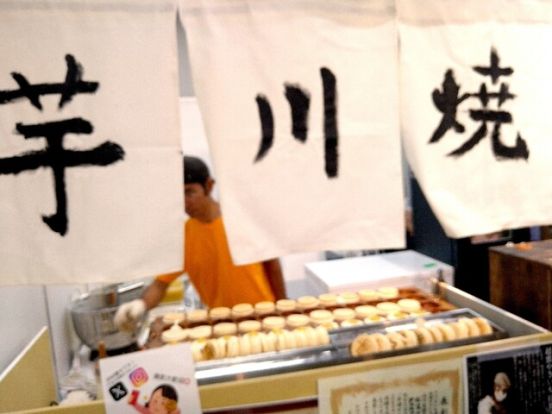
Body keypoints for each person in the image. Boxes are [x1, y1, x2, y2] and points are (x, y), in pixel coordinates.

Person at [115, 156, 286, 331]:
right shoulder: (183, 237)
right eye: (178, 194)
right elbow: (160, 285)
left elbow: (272, 266)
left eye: (190, 192)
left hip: (264, 318)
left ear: (209, 186)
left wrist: (283, 310)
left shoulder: (241, 220)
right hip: (222, 326)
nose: (185, 202)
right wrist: (141, 305)